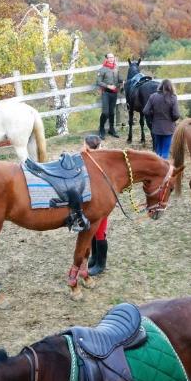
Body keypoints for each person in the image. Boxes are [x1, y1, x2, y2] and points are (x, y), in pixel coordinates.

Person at [82, 135, 111, 276]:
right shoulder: (91, 158)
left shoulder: (99, 162)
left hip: (102, 202)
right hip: (96, 201)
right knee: (94, 230)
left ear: (89, 147)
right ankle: (94, 258)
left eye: (84, 145)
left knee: (100, 232)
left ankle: (101, 264)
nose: (82, 147)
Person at [143, 79, 181, 159]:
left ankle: (157, 168)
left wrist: (153, 116)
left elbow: (145, 111)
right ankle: (163, 169)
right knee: (165, 152)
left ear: (160, 86)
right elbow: (176, 114)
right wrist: (172, 120)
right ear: (171, 87)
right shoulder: (173, 97)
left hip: (156, 127)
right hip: (168, 128)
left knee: (158, 151)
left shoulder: (153, 96)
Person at [95, 53, 121, 138]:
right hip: (106, 93)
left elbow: (119, 78)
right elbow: (98, 82)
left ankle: (111, 129)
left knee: (112, 112)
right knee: (105, 112)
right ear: (106, 59)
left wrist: (122, 81)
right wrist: (108, 86)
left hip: (114, 93)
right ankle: (101, 129)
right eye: (109, 57)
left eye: (112, 57)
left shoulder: (116, 68)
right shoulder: (102, 69)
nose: (111, 59)